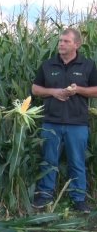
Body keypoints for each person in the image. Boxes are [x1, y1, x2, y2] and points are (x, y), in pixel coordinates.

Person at [31, 28, 97, 213]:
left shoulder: (88, 65)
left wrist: (78, 90)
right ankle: (44, 196)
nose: (61, 43)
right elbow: (36, 89)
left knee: (77, 161)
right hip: (51, 122)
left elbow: (95, 90)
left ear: (77, 44)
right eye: (60, 40)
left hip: (77, 124)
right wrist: (53, 92)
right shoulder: (48, 65)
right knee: (48, 160)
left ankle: (78, 199)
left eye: (66, 41)